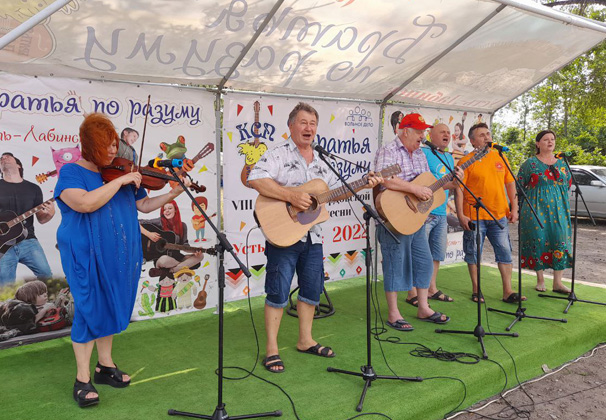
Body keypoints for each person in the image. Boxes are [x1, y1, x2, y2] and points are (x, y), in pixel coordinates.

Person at [54, 113, 192, 407]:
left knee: (111, 304)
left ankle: (105, 366)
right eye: (106, 147)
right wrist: (122, 182)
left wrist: (174, 191)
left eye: (114, 144)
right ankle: (82, 379)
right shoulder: (71, 173)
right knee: (89, 308)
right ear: (89, 146)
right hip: (85, 254)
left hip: (120, 253)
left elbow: (143, 204)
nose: (113, 151)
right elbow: (84, 203)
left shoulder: (121, 172)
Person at [247, 102, 381, 373]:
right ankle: (272, 349)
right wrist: (290, 195)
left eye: (312, 124)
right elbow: (255, 179)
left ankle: (305, 340)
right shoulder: (278, 155)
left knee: (311, 288)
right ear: (291, 126)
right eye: (303, 122)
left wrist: (363, 184)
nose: (308, 128)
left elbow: (332, 193)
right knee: (278, 290)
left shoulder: (322, 161)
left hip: (314, 236)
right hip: (283, 236)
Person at [375, 113, 458, 332]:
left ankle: (423, 307)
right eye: (419, 131)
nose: (423, 135)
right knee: (394, 262)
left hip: (418, 219)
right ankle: (394, 313)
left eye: (423, 131)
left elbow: (427, 185)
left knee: (424, 261)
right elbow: (385, 178)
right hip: (395, 217)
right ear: (404, 131)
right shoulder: (389, 151)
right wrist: (414, 189)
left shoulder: (421, 154)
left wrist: (448, 182)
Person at [454, 123, 525, 303]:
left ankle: (508, 291)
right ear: (472, 141)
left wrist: (515, 208)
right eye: (482, 135)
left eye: (488, 134)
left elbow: (510, 183)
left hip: (499, 215)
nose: (487, 137)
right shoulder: (466, 161)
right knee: (473, 253)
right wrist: (461, 214)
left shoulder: (500, 156)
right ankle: (477, 290)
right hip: (475, 216)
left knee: (505, 252)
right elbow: (459, 189)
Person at [405, 123, 458, 306]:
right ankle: (412, 292)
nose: (447, 135)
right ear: (431, 135)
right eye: (442, 132)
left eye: (449, 133)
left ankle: (431, 288)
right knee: (419, 253)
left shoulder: (449, 158)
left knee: (436, 254)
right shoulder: (423, 153)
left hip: (442, 211)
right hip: (423, 211)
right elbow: (418, 181)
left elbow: (447, 184)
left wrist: (456, 183)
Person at [517, 130, 572, 293]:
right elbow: (519, 185)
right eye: (546, 139)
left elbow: (567, 184)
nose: (550, 142)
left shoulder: (563, 163)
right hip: (535, 209)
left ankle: (557, 282)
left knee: (560, 239)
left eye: (552, 139)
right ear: (538, 143)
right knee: (537, 240)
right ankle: (540, 279)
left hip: (559, 209)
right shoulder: (530, 164)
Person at [0, 152, 55, 286]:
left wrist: (50, 213)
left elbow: (41, 220)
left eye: (8, 157)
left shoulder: (34, 189)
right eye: (1, 159)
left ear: (18, 165)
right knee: (5, 286)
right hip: (3, 245)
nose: (3, 158)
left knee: (46, 275)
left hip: (28, 241)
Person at [140, 200, 204, 275]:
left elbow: (185, 245)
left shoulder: (183, 226)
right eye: (164, 209)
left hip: (176, 257)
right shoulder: (159, 221)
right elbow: (136, 222)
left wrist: (194, 251)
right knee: (164, 260)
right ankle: (183, 266)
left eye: (170, 208)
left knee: (200, 257)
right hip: (161, 259)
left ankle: (172, 270)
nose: (167, 211)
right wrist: (149, 234)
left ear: (175, 210)